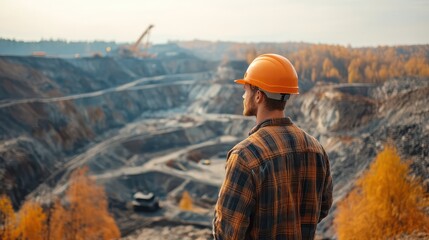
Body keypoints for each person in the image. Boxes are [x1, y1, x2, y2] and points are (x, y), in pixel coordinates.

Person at [213, 54, 333, 240]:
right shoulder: (316, 149)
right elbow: (322, 208)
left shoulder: (245, 157)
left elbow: (227, 234)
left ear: (259, 96)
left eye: (246, 89)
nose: (243, 95)